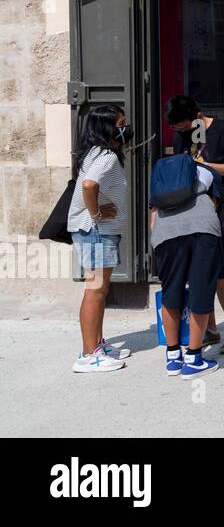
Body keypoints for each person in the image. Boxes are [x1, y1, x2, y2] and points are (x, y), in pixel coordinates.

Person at [164, 96, 224, 354]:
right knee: (197, 271)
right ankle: (210, 329)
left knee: (219, 269)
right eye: (177, 128)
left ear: (198, 116)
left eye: (183, 126)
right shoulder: (183, 135)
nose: (181, 131)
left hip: (220, 211)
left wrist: (207, 167)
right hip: (190, 211)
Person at [66, 104, 133, 373]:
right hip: (95, 232)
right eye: (120, 125)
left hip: (97, 232)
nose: (125, 129)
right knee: (95, 290)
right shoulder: (106, 156)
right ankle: (87, 355)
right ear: (107, 128)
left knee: (99, 290)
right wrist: (96, 213)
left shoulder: (95, 152)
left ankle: (97, 344)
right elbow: (89, 185)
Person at [150, 159, 222, 377]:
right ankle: (194, 358)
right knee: (201, 290)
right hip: (202, 228)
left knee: (170, 291)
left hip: (165, 232)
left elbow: (153, 215)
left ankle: (173, 357)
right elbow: (215, 203)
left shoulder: (162, 174)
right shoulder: (208, 170)